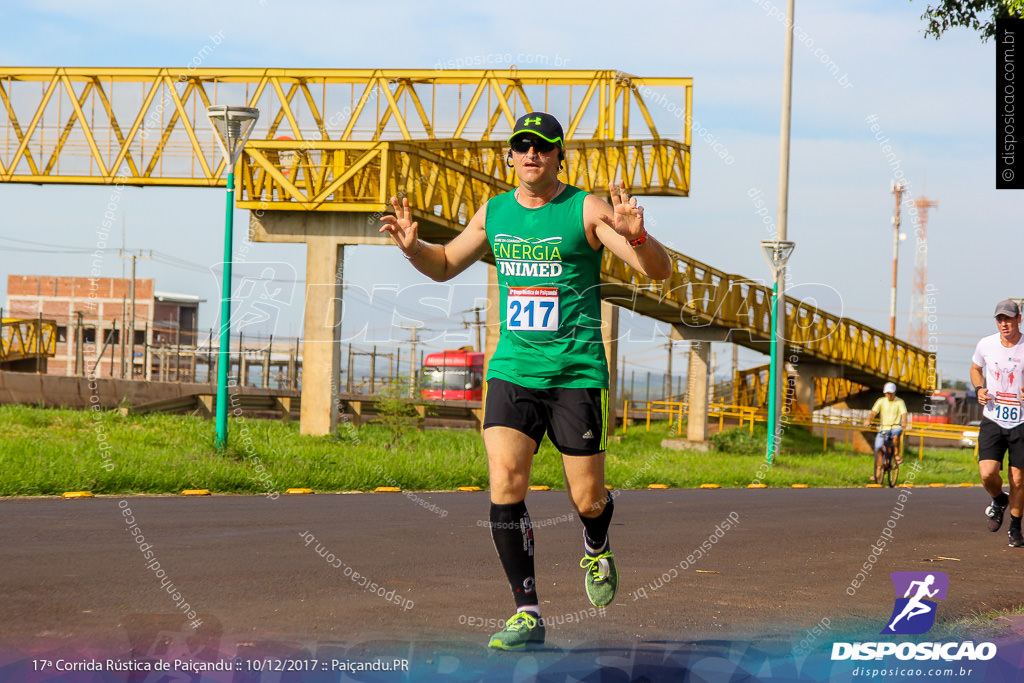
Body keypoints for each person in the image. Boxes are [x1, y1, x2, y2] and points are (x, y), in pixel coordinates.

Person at [379, 111, 672, 650]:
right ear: (510, 157)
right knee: (505, 482)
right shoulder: (494, 213)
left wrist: (640, 234)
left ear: (560, 155)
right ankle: (527, 612)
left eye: (542, 146)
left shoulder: (586, 208)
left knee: (586, 498)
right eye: (521, 146)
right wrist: (412, 248)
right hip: (513, 370)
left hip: (575, 372)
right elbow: (444, 263)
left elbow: (657, 271)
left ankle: (596, 541)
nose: (530, 154)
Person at [970, 298, 1024, 547]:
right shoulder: (986, 344)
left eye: (1009, 318)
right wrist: (979, 388)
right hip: (993, 416)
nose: (1004, 323)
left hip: (1021, 421)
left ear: (1018, 320)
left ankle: (1015, 528)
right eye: (1000, 319)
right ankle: (999, 500)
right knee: (987, 473)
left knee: (1017, 479)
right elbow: (975, 368)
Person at [864, 382, 908, 482]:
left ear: (895, 392)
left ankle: (896, 455)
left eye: (891, 393)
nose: (889, 395)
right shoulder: (881, 401)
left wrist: (904, 422)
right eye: (887, 393)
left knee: (896, 436)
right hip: (884, 428)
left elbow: (904, 413)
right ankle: (877, 475)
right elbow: (873, 412)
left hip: (895, 426)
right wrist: (868, 420)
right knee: (878, 449)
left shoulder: (899, 402)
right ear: (884, 393)